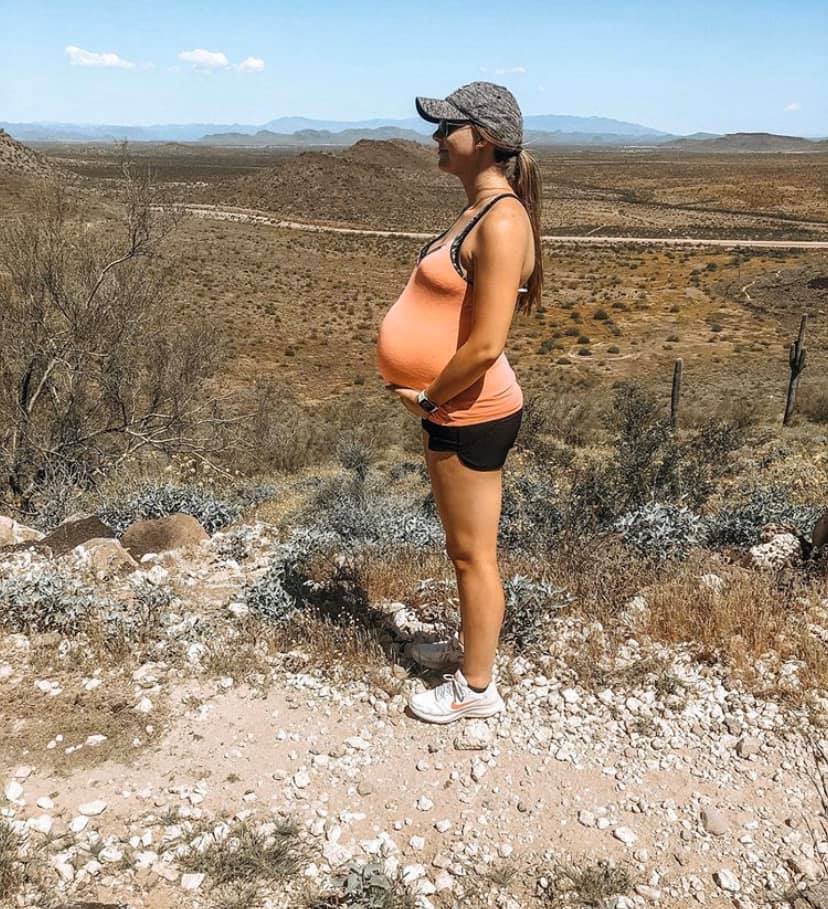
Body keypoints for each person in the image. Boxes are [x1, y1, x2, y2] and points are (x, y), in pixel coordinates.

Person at [375, 81, 544, 723]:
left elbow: (486, 345)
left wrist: (427, 397)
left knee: (473, 556)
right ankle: (472, 653)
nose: (437, 137)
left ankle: (476, 689)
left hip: (468, 411)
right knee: (465, 551)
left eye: (450, 128)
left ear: (488, 140)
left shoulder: (500, 220)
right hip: (453, 409)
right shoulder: (478, 209)